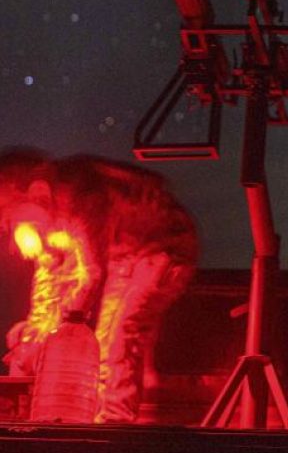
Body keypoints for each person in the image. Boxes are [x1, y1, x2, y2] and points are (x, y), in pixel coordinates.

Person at [0, 148, 198, 423]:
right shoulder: (39, 220)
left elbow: (91, 273)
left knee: (118, 339)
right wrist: (31, 342)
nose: (6, 222)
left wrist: (61, 336)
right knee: (94, 339)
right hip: (122, 257)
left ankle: (114, 426)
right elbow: (51, 285)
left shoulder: (78, 195)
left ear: (34, 191)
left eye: (6, 210)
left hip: (161, 248)